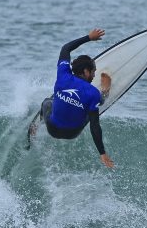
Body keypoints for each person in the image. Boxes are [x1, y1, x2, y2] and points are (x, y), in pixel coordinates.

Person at [29, 28, 114, 168]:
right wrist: (102, 153)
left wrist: (88, 37)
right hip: (73, 132)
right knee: (95, 103)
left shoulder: (63, 74)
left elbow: (66, 48)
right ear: (86, 71)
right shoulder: (92, 92)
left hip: (52, 128)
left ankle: (36, 126)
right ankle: (105, 91)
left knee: (47, 101)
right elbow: (94, 125)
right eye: (93, 72)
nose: (94, 75)